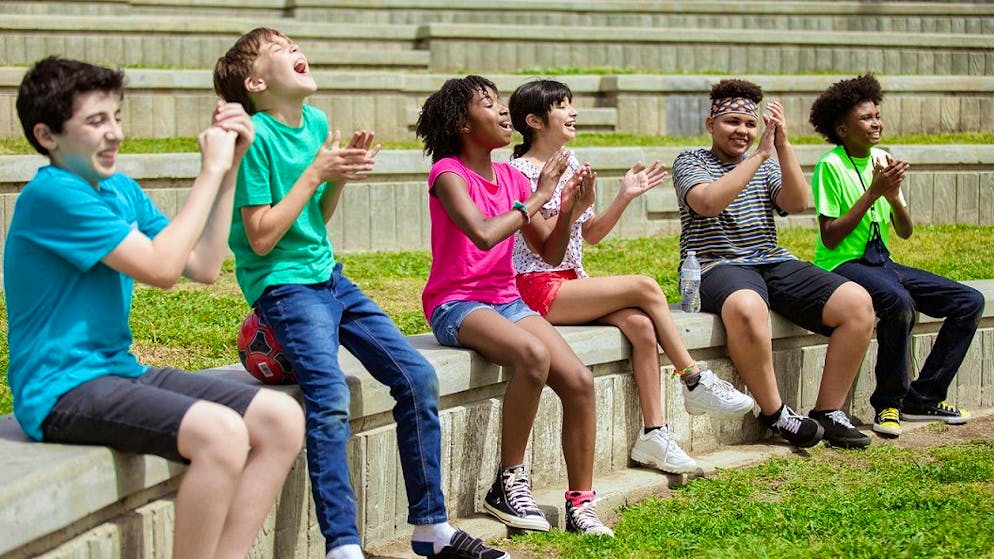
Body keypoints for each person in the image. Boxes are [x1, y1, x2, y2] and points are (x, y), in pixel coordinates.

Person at [213, 29, 507, 559]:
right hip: (283, 286)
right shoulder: (253, 137)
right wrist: (317, 173)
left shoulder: (318, 124)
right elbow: (260, 236)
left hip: (328, 276)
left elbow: (315, 218)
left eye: (294, 43)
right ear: (256, 83)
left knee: (417, 376)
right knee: (328, 399)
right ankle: (343, 546)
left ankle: (431, 528)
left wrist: (338, 179)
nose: (296, 50)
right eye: (280, 49)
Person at [5, 56, 305, 559]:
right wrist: (208, 170)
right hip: (58, 390)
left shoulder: (119, 189)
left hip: (118, 372)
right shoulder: (51, 195)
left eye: (116, 117)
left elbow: (202, 265)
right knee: (222, 434)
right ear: (47, 135)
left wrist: (228, 168)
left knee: (281, 420)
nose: (115, 133)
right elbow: (162, 270)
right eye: (96, 122)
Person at [506, 79, 755, 474]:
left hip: (571, 281)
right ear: (534, 120)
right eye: (562, 106)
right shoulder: (517, 173)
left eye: (572, 104)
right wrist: (570, 204)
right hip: (535, 286)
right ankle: (692, 379)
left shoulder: (572, 164)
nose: (572, 112)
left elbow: (592, 234)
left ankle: (654, 434)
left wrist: (625, 194)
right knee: (644, 285)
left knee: (640, 326)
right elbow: (543, 249)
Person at [415, 75, 615, 537]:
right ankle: (508, 482)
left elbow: (548, 253)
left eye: (500, 102)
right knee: (533, 355)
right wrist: (540, 197)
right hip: (457, 303)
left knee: (580, 381)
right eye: (488, 104)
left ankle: (581, 504)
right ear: (463, 124)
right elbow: (483, 233)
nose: (503, 111)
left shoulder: (508, 176)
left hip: (506, 299)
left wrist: (566, 209)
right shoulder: (448, 173)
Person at [671, 78, 876, 450]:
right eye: (732, 121)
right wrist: (760, 156)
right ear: (710, 124)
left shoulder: (764, 164)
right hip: (715, 266)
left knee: (857, 303)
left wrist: (782, 146)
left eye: (751, 124)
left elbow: (797, 203)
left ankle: (828, 411)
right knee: (749, 308)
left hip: (771, 260)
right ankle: (776, 413)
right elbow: (707, 203)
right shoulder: (691, 160)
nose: (743, 131)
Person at [808, 74, 983, 437]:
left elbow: (905, 231)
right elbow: (830, 236)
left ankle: (924, 397)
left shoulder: (882, 160)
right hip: (843, 265)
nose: (877, 123)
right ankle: (888, 404)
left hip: (881, 262)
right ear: (842, 129)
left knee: (969, 301)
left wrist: (891, 197)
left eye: (877, 115)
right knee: (898, 302)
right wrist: (873, 193)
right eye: (866, 118)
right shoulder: (830, 165)